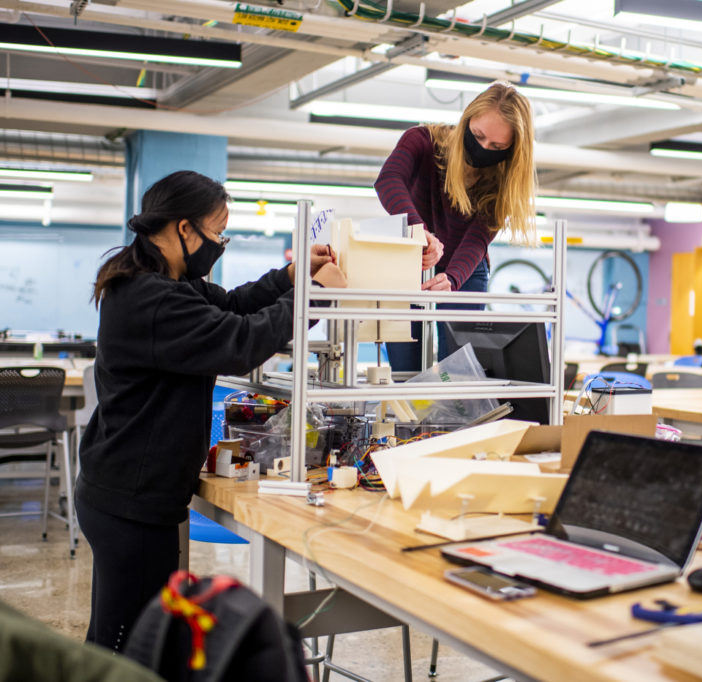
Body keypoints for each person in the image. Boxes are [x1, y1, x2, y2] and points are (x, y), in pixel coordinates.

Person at [75, 170, 346, 652]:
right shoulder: (152, 297)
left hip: (125, 491)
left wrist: (290, 276)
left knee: (130, 636)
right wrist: (316, 296)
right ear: (184, 228)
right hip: (131, 501)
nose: (220, 243)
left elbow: (236, 306)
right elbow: (240, 342)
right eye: (218, 232)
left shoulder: (162, 281)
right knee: (130, 646)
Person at [374, 81, 536, 371]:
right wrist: (418, 231)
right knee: (405, 366)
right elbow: (388, 180)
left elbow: (476, 240)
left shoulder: (503, 181)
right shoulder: (422, 140)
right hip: (410, 259)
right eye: (478, 136)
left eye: (497, 146)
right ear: (466, 120)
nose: (484, 148)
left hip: (465, 269)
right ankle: (410, 415)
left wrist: (452, 278)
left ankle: (452, 413)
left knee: (456, 368)